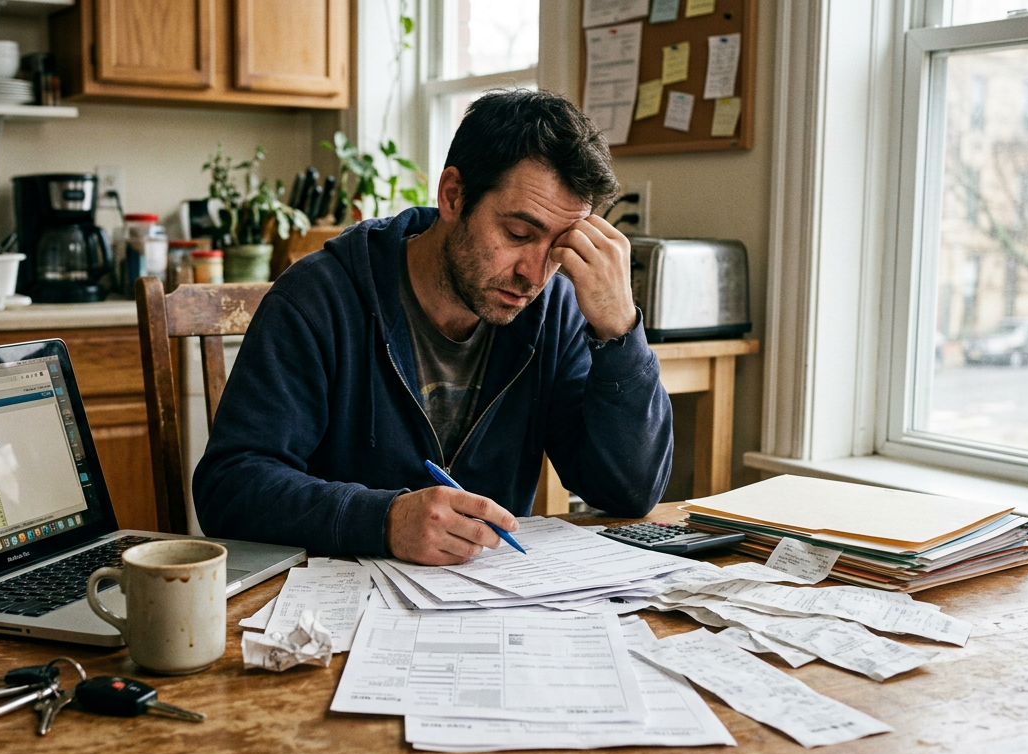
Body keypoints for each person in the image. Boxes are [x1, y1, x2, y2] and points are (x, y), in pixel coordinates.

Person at [192, 89, 674, 566]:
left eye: (558, 246)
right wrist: (383, 520)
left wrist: (620, 331)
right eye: (518, 234)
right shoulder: (320, 297)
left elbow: (627, 492)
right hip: (335, 611)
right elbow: (231, 486)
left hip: (493, 609)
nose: (534, 272)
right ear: (453, 196)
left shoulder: (553, 311)